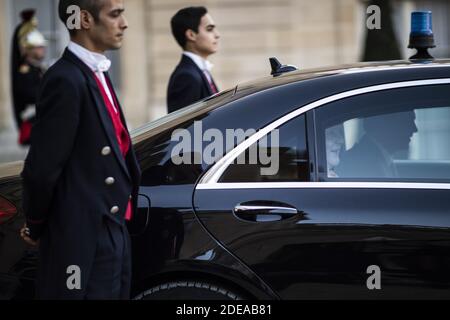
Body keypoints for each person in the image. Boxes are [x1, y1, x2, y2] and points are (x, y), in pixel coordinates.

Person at [20, 0, 141, 299]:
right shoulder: (65, 78)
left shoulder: (96, 72)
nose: (124, 23)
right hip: (82, 239)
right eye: (115, 14)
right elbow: (42, 169)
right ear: (85, 19)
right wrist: (36, 226)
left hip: (113, 229)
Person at [167, 6, 220, 113]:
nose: (217, 35)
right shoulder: (186, 76)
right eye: (209, 29)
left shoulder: (199, 71)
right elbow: (184, 127)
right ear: (191, 35)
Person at [336, 110, 418, 178]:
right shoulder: (361, 163)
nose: (414, 129)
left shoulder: (378, 156)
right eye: (407, 122)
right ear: (388, 125)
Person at [10, 9, 47, 146]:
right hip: (32, 124)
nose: (42, 50)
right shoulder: (24, 71)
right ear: (28, 49)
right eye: (38, 47)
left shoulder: (37, 68)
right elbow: (30, 95)